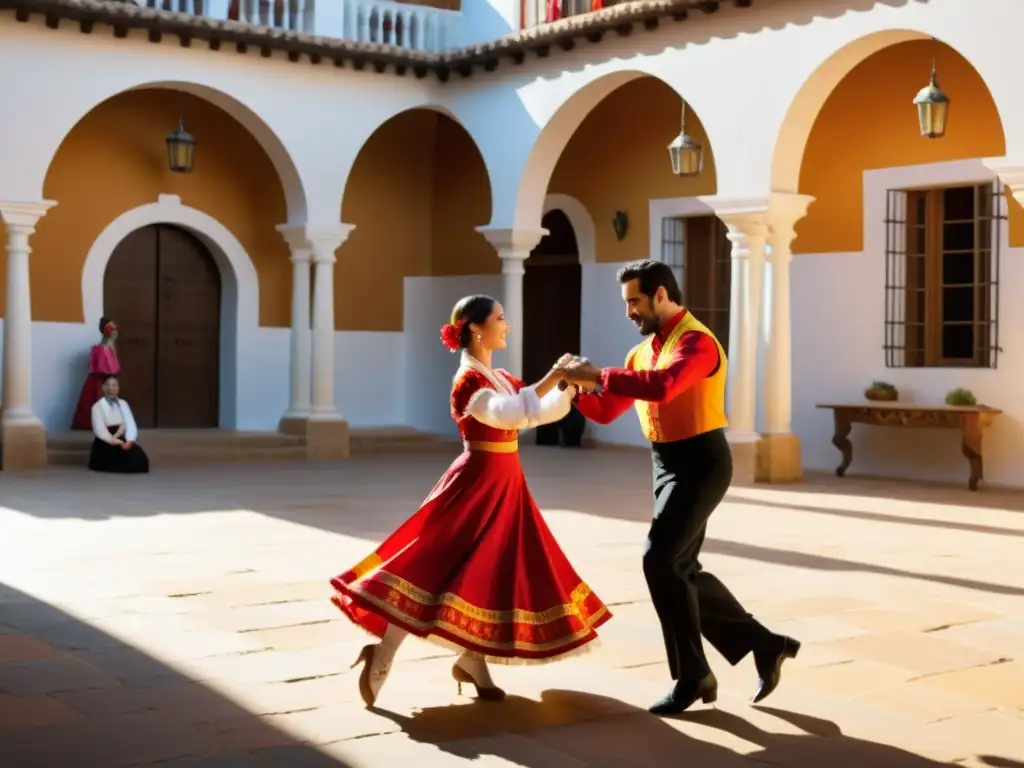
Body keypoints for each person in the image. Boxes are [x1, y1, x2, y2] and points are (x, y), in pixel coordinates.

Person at [330, 295, 610, 708]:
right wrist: (553, 376)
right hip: (476, 484)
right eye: (500, 319)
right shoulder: (469, 382)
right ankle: (383, 653)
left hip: (506, 483)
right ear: (477, 328)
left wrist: (565, 386)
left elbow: (537, 411)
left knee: (492, 571)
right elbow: (510, 414)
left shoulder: (497, 376)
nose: (506, 325)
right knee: (432, 567)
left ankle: (473, 662)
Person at [558, 259, 799, 715]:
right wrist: (573, 390)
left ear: (662, 295)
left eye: (635, 300)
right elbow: (609, 410)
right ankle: (765, 644)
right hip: (665, 463)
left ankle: (693, 676)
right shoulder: (641, 352)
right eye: (626, 302)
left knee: (659, 558)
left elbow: (665, 386)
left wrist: (598, 375)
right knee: (678, 568)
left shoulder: (698, 342)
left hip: (703, 462)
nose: (629, 310)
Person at [88, 375, 150, 474]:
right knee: (117, 461)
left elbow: (130, 423)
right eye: (107, 385)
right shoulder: (97, 406)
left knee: (140, 460)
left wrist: (130, 440)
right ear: (103, 388)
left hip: (122, 439)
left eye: (114, 385)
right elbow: (99, 429)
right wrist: (114, 441)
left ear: (118, 388)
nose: (111, 388)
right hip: (106, 442)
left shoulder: (123, 403)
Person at [72, 317, 121, 430]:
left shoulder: (105, 347)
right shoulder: (105, 348)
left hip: (102, 379)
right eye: (113, 329)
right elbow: (106, 368)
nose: (116, 332)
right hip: (102, 380)